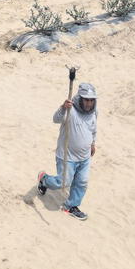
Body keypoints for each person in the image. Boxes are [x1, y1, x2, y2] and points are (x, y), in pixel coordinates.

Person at [37, 83, 98, 221]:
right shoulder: (70, 110)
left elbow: (93, 129)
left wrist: (93, 143)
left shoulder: (94, 112)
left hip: (84, 157)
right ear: (80, 98)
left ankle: (70, 206)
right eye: (86, 99)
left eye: (91, 100)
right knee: (63, 183)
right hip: (67, 156)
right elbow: (55, 119)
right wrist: (63, 108)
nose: (89, 103)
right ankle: (44, 179)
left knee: (82, 182)